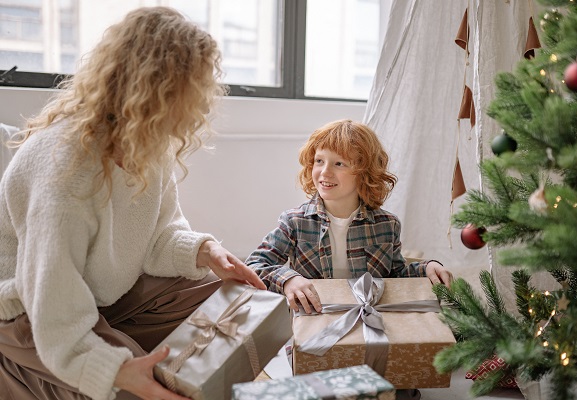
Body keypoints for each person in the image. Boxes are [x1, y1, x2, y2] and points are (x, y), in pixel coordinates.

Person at [0, 7, 266, 400]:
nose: (204, 106)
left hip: (101, 294)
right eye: (196, 91)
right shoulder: (64, 166)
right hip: (30, 305)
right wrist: (119, 371)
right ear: (157, 88)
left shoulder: (146, 145)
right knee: (135, 384)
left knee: (231, 309)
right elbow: (53, 299)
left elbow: (159, 234)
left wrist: (206, 251)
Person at [245, 119, 453, 315]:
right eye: (319, 161)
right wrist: (288, 279)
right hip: (314, 324)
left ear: (364, 172)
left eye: (339, 164)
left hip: (370, 324)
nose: (325, 172)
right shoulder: (295, 222)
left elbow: (395, 274)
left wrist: (426, 268)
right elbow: (255, 265)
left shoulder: (387, 225)